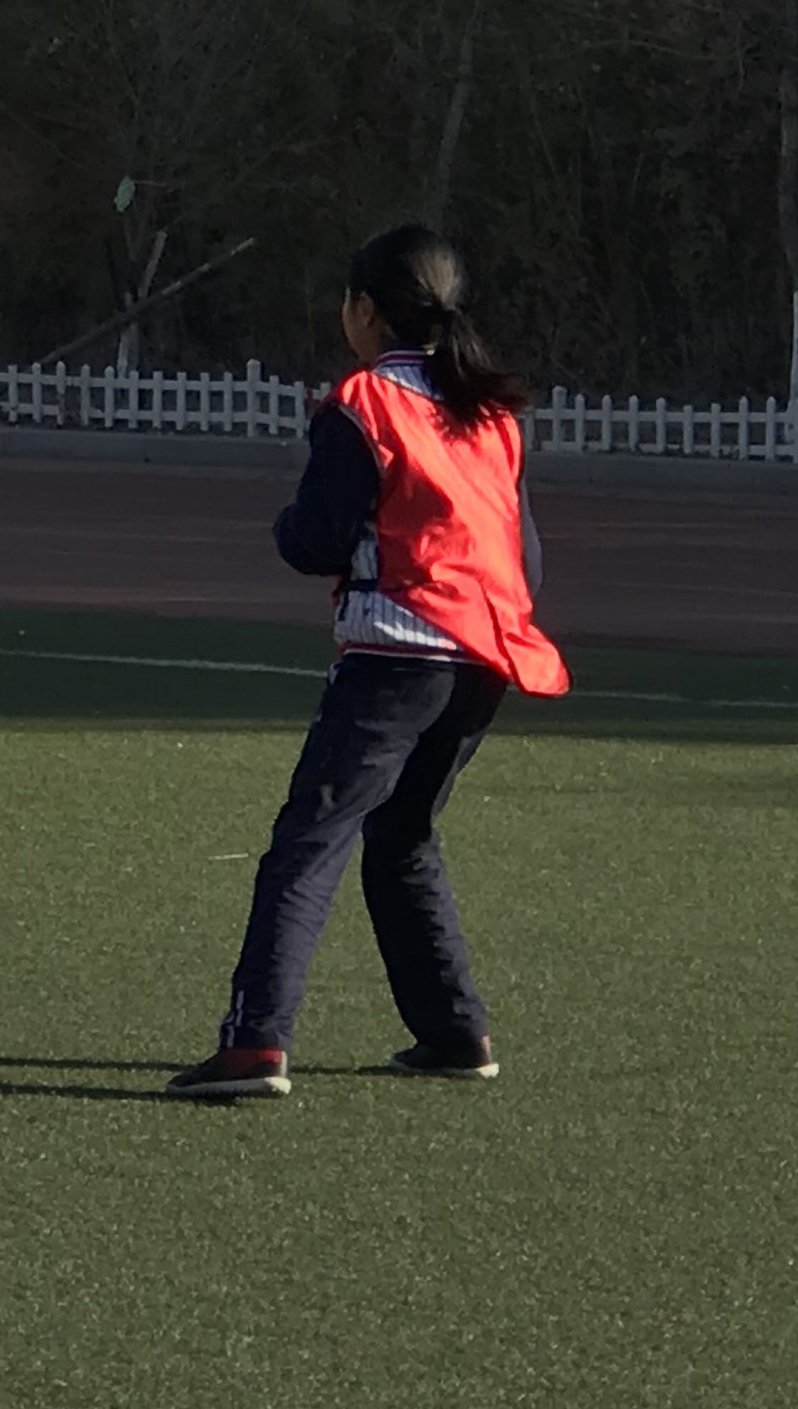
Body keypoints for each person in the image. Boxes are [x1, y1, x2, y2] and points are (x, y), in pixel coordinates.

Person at [167, 224, 567, 1102]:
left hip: (397, 652)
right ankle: (455, 1030)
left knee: (308, 842)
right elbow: (525, 557)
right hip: (484, 659)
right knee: (402, 837)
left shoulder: (363, 400)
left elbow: (313, 539)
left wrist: (286, 529)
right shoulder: (491, 412)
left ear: (364, 311)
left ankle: (255, 1044)